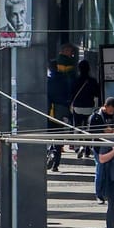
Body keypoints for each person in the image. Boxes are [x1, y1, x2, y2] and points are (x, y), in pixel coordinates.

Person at [45, 44, 77, 172]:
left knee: (47, 135)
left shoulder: (47, 81)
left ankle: (50, 154)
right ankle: (56, 163)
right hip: (61, 110)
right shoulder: (65, 79)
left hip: (49, 111)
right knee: (58, 137)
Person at [69, 59, 102, 134]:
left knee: (77, 126)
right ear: (89, 69)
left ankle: (78, 141)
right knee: (88, 126)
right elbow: (97, 94)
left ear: (79, 69)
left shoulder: (75, 80)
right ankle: (87, 142)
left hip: (77, 107)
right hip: (89, 107)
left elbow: (71, 93)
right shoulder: (92, 81)